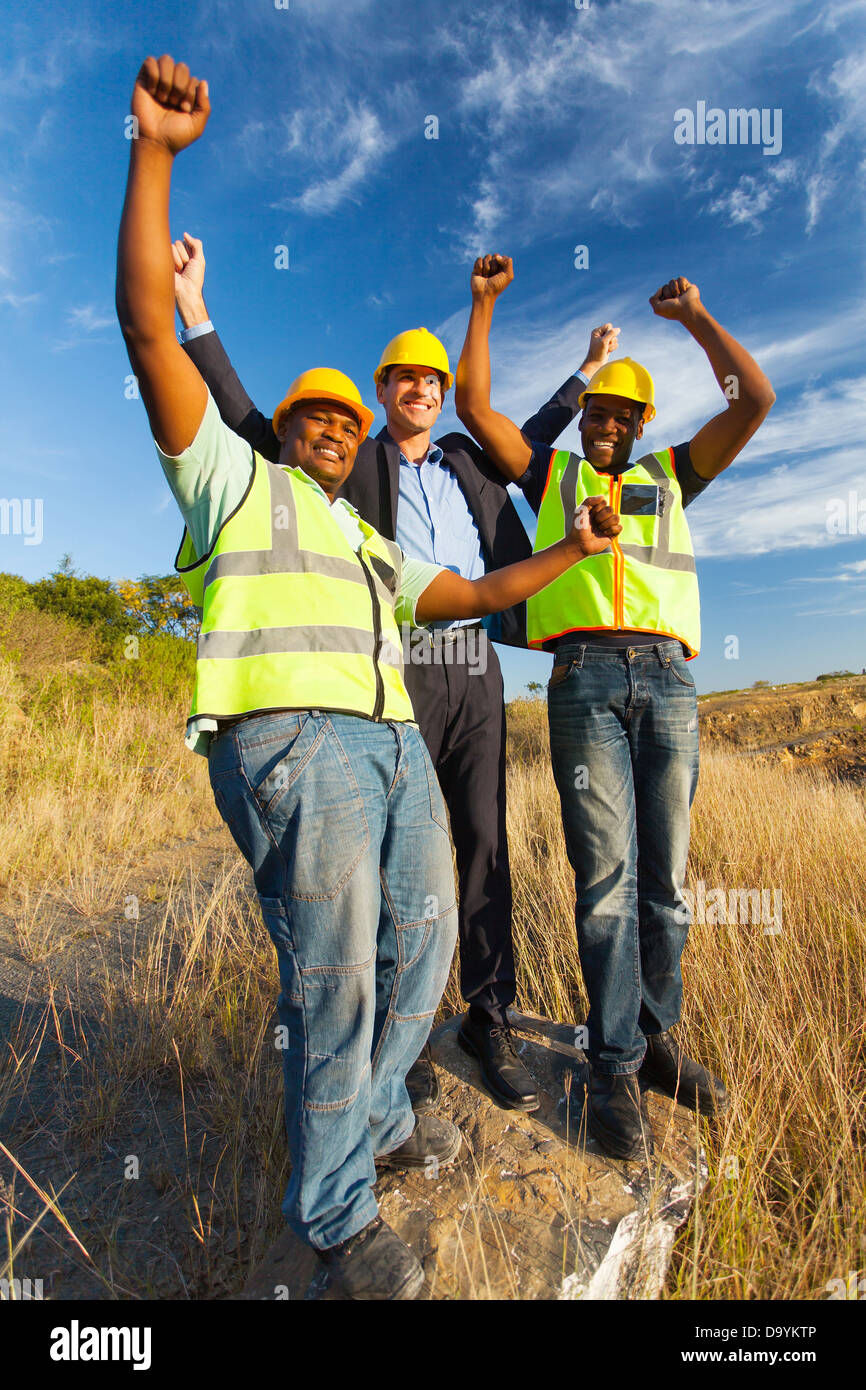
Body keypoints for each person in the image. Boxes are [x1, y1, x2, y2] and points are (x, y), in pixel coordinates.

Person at [115, 56, 623, 1297]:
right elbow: (146, 334)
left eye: (350, 420)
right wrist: (157, 156)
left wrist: (569, 547)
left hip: (399, 742)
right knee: (335, 979)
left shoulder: (366, 537)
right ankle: (333, 1211)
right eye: (319, 414)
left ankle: (381, 1114)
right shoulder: (231, 486)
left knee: (428, 942)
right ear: (283, 429)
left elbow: (477, 595)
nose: (339, 426)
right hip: (299, 742)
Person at [171, 236, 620, 1116]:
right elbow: (249, 422)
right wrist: (195, 314)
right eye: (404, 380)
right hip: (390, 667)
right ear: (382, 394)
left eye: (433, 381)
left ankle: (488, 1016)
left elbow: (531, 435)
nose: (420, 389)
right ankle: (394, 1038)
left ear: (443, 393)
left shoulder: (467, 460)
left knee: (484, 843)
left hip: (474, 665)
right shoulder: (351, 463)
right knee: (386, 857)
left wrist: (587, 364)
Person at [455, 253, 775, 1160]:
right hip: (585, 684)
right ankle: (611, 1066)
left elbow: (754, 400)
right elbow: (476, 409)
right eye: (596, 414)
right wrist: (483, 306)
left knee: (666, 886)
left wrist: (698, 319)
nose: (603, 426)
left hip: (670, 682)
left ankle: (657, 1040)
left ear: (639, 426)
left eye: (619, 417)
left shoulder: (676, 474)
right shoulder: (552, 476)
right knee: (605, 886)